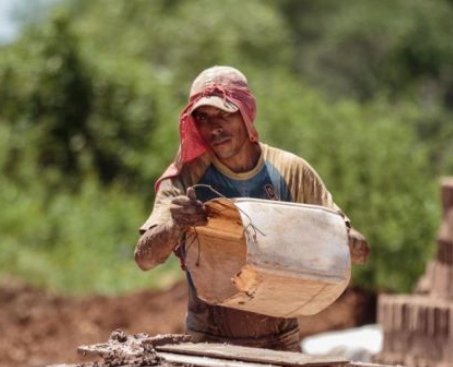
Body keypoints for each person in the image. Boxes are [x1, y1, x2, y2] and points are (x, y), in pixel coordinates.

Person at [134, 65, 369, 351]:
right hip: (209, 343)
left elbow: (358, 251)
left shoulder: (290, 170)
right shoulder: (186, 177)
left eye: (225, 114)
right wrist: (175, 225)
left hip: (281, 343)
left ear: (246, 112)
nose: (214, 127)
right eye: (204, 118)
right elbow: (144, 259)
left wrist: (337, 240)